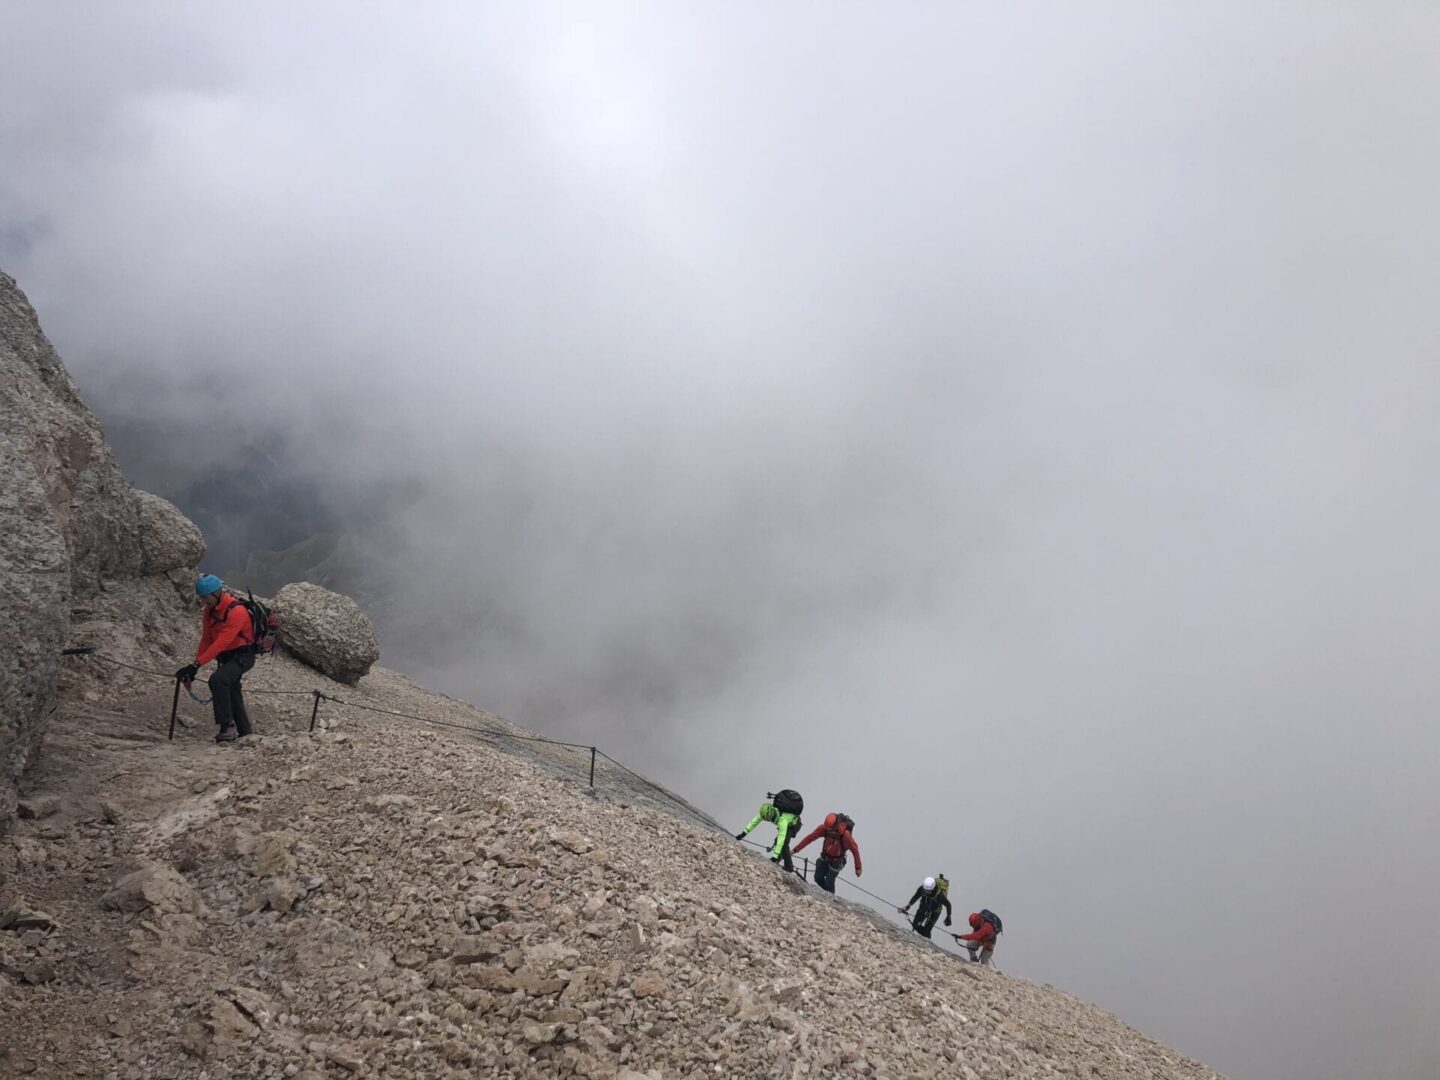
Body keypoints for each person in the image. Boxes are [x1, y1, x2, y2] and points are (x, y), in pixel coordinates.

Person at [175, 575, 256, 743]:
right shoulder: (209, 611)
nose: (204, 601)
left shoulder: (237, 611)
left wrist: (196, 664)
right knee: (232, 689)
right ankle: (245, 733)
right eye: (202, 597)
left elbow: (222, 641)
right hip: (228, 658)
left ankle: (227, 726)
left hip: (243, 656)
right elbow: (207, 639)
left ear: (217, 592)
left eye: (206, 597)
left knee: (218, 680)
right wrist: (194, 666)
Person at [793, 812, 862, 893]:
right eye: (828, 829)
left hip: (837, 861)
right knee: (818, 878)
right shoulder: (824, 829)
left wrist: (858, 867)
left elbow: (855, 849)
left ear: (836, 826)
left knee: (829, 882)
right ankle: (825, 894)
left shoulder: (845, 835)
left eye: (831, 830)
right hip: (824, 857)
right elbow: (809, 838)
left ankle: (830, 897)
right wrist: (795, 850)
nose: (829, 831)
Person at [899, 874, 952, 938]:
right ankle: (924, 937)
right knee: (915, 924)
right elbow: (916, 896)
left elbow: (948, 905)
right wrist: (908, 906)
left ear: (932, 888)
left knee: (927, 931)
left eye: (928, 891)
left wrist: (948, 916)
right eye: (925, 890)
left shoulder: (939, 896)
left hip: (935, 912)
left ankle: (926, 939)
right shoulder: (922, 889)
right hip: (923, 907)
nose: (926, 892)